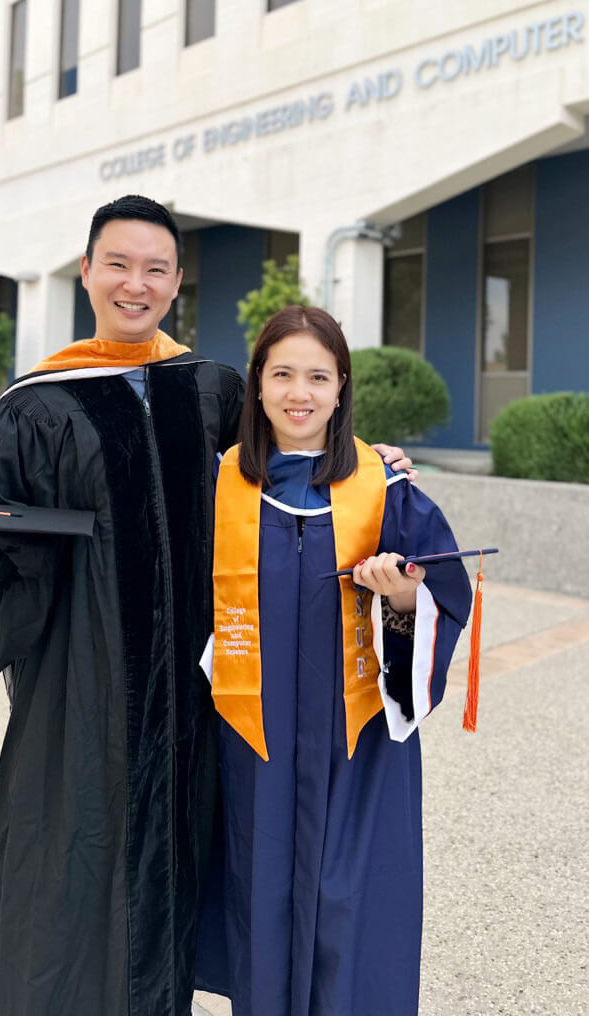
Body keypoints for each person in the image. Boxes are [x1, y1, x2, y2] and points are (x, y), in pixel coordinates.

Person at [0, 197, 415, 1016]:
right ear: (86, 272)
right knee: (62, 914)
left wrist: (368, 461)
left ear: (177, 282)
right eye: (118, 264)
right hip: (81, 718)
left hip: (195, 721)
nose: (134, 285)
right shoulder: (33, 410)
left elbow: (291, 463)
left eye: (154, 269)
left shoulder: (212, 392)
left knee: (180, 908)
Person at [195, 306, 472, 1016]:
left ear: (342, 388)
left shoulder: (385, 487)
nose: (300, 393)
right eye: (282, 373)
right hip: (247, 744)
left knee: (349, 913)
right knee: (257, 904)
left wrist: (406, 600)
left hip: (357, 745)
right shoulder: (216, 486)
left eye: (318, 376)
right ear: (257, 385)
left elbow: (443, 590)